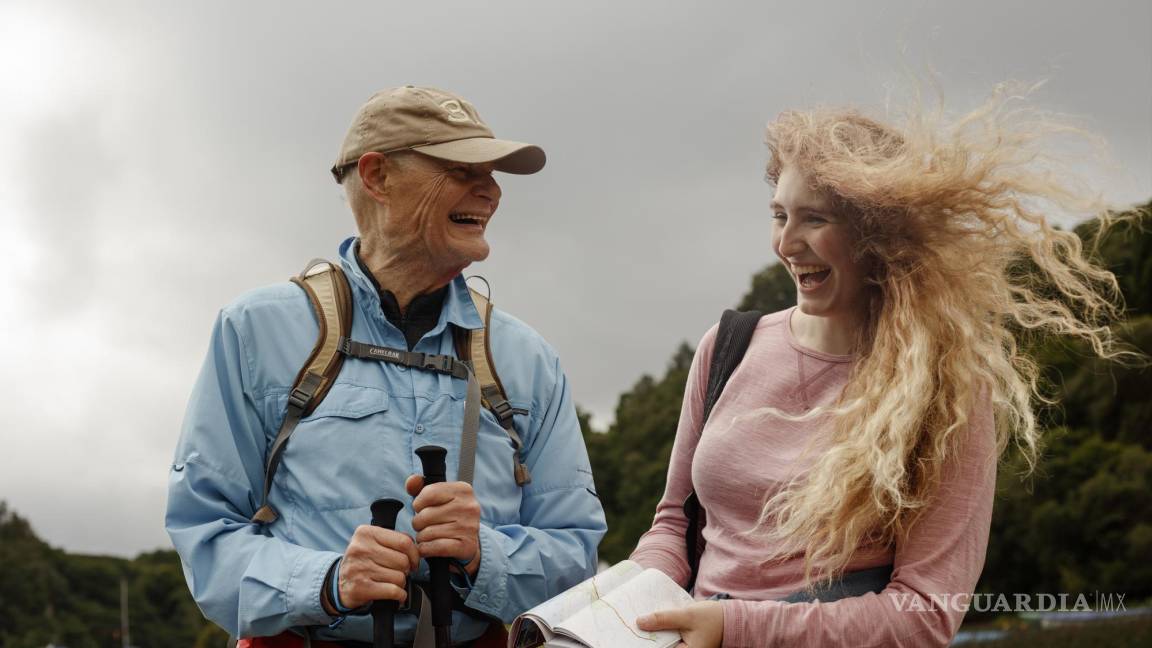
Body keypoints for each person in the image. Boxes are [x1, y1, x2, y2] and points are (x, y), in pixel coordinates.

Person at [629, 89, 1134, 647]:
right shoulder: (727, 345)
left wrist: (736, 628)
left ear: (878, 234)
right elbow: (674, 523)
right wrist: (634, 602)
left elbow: (924, 614)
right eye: (779, 214)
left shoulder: (947, 386)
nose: (787, 243)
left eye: (814, 218)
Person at [166, 85, 606, 646]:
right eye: (461, 169)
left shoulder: (529, 358)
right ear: (376, 177)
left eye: (492, 174)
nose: (491, 191)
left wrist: (482, 553)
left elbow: (576, 557)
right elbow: (203, 535)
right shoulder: (254, 331)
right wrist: (327, 582)